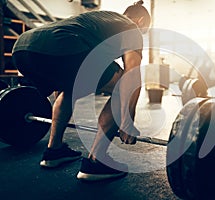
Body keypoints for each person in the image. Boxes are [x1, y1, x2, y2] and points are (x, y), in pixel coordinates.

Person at [12, 1, 151, 181]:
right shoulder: (131, 28)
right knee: (121, 83)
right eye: (145, 31)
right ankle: (95, 162)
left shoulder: (102, 20)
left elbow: (63, 86)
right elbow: (131, 75)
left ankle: (54, 151)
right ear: (140, 21)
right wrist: (127, 120)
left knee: (69, 88)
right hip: (62, 46)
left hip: (23, 48)